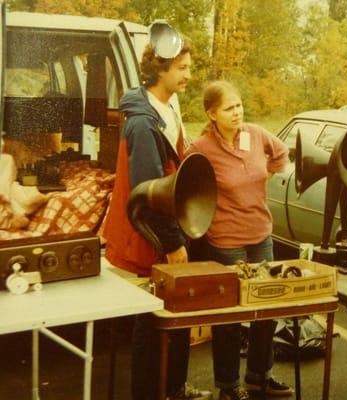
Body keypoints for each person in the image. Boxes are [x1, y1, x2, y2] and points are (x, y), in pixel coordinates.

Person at [102, 25, 212, 400]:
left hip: (165, 233)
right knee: (152, 323)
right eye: (181, 67)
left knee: (174, 315)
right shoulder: (143, 121)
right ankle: (152, 393)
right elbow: (150, 193)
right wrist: (171, 244)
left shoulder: (163, 108)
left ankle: (174, 389)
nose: (188, 74)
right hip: (151, 238)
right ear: (159, 70)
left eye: (188, 66)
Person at [185, 80, 292, 400]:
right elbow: (187, 184)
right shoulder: (202, 147)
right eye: (229, 108)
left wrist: (263, 181)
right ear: (212, 113)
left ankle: (260, 377)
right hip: (226, 241)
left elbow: (281, 152)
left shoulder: (255, 134)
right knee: (230, 318)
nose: (237, 112)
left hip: (261, 234)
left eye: (240, 105)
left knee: (266, 311)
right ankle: (229, 386)